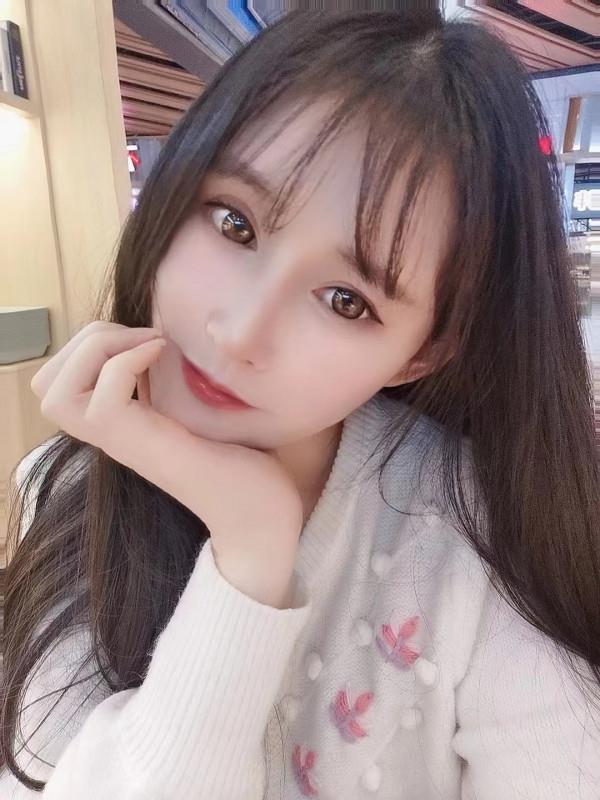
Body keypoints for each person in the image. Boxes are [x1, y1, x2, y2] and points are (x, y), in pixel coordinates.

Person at [1, 8, 599, 799]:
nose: (239, 332)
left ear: (421, 352)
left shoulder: (479, 528)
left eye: (346, 300)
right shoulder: (65, 484)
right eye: (234, 223)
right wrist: (250, 553)